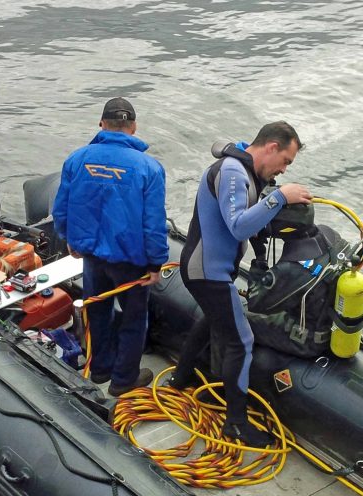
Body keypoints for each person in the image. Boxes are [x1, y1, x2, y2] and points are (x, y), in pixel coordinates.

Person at [168, 121, 312, 447]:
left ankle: (181, 378)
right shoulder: (233, 172)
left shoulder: (247, 171)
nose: (284, 170)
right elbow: (236, 227)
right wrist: (280, 198)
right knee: (241, 341)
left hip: (210, 269)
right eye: (286, 161)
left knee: (213, 320)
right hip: (208, 273)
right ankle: (235, 423)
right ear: (271, 147)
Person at [52, 97, 169, 397]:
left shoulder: (77, 159)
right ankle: (123, 380)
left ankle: (101, 367)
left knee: (98, 311)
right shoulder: (149, 168)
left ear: (102, 124)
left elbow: (61, 208)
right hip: (130, 263)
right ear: (133, 128)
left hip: (91, 257)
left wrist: (69, 239)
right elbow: (153, 223)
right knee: (133, 319)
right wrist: (156, 263)